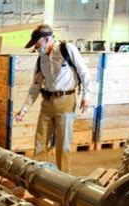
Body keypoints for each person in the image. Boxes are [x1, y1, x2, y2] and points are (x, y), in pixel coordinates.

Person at [15, 24, 91, 172]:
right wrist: (24, 109)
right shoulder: (41, 59)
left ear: (47, 39)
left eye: (37, 44)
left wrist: (87, 96)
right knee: (40, 141)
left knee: (63, 144)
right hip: (47, 102)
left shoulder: (66, 49)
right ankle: (37, 177)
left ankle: (64, 179)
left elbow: (84, 71)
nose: (36, 48)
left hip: (66, 101)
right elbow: (36, 86)